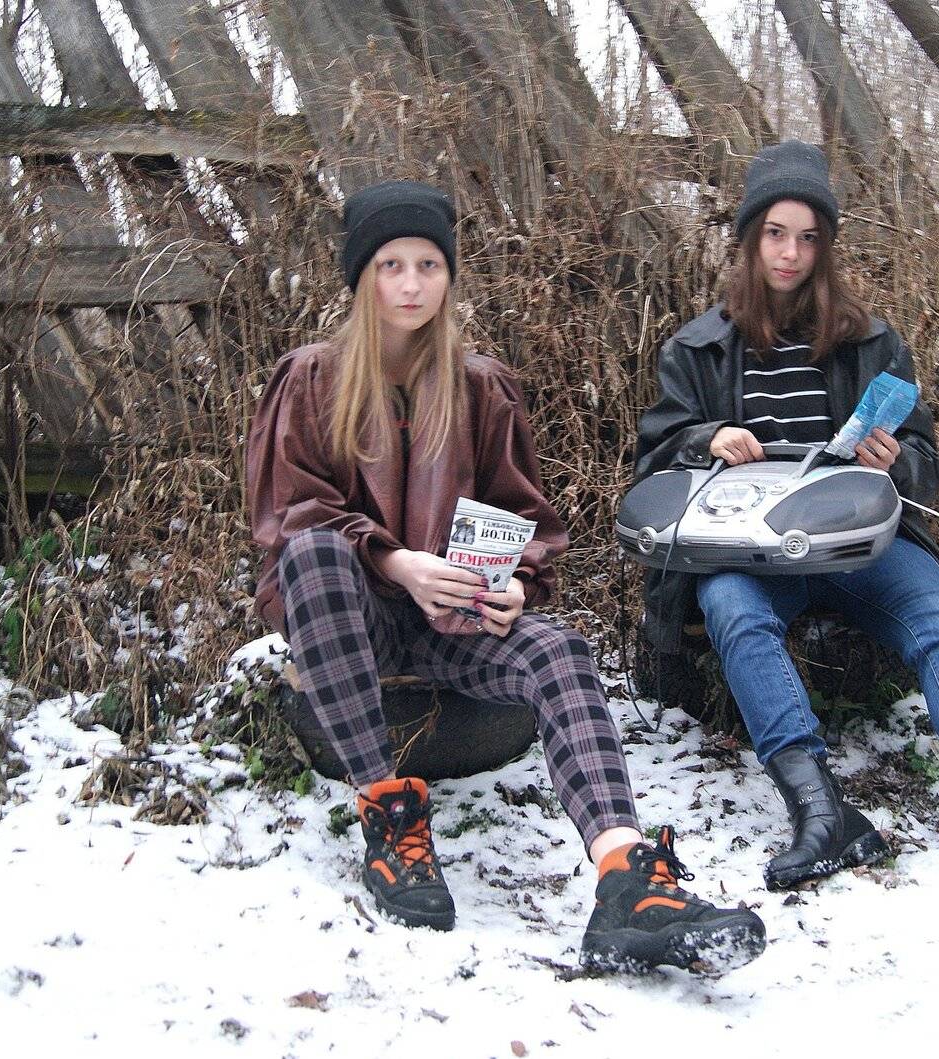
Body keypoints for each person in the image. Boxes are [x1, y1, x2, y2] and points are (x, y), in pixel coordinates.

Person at [246, 180, 765, 973]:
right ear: (361, 277)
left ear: (450, 275)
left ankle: (627, 878)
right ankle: (389, 818)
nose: (412, 284)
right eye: (390, 265)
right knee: (315, 554)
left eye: (428, 264)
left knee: (559, 650)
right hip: (354, 619)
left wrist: (517, 580)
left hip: (453, 626)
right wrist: (396, 561)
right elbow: (291, 515)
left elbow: (523, 515)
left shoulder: (480, 387)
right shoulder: (311, 378)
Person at [634, 143, 939, 887]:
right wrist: (707, 438)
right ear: (750, 237)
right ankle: (822, 813)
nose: (790, 253)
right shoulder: (697, 350)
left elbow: (926, 464)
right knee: (731, 607)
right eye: (775, 234)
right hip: (751, 554)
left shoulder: (872, 342)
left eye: (808, 238)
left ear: (825, 248)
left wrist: (894, 460)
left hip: (859, 542)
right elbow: (656, 460)